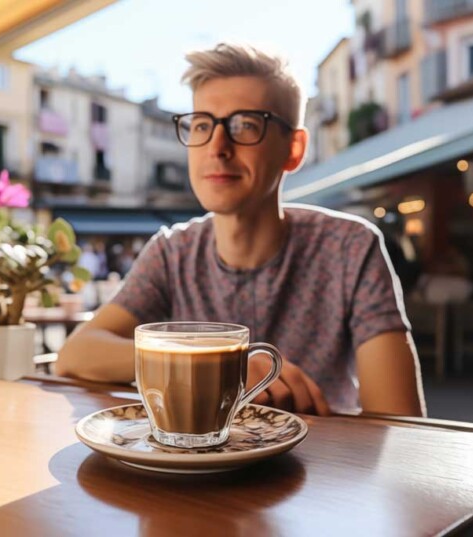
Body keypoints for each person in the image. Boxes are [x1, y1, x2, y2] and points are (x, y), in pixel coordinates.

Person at [56, 43, 425, 416]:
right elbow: (75, 355)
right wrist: (224, 362)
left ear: (294, 149)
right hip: (191, 465)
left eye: (245, 124)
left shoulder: (349, 247)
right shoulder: (173, 252)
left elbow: (401, 423)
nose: (217, 147)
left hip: (320, 465)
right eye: (202, 124)